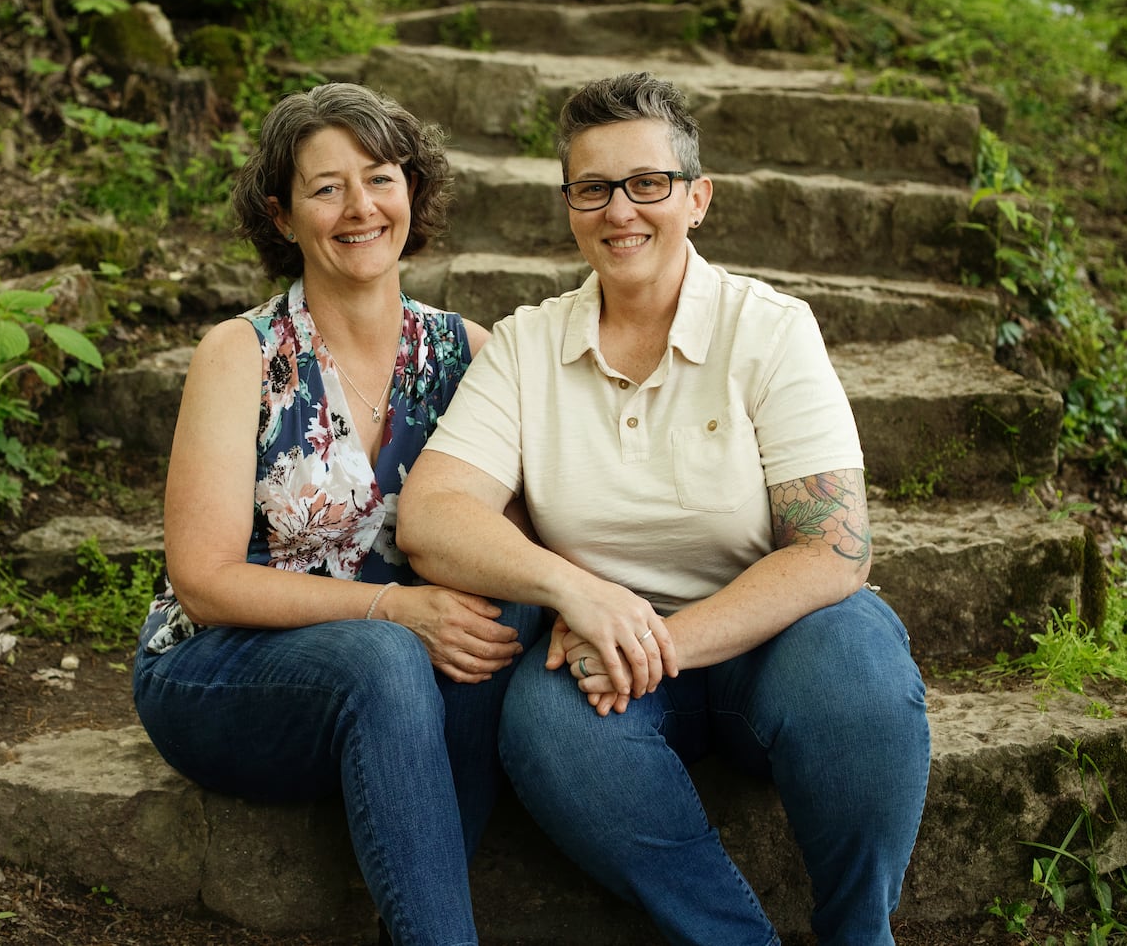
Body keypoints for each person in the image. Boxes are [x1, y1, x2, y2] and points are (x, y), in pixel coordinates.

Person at [397, 72, 930, 946]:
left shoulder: (771, 329)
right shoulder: (528, 345)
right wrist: (581, 593)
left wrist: (663, 642)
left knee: (860, 667)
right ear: (569, 205)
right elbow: (433, 514)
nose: (621, 212)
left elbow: (834, 549)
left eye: (648, 184)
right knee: (548, 722)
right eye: (593, 188)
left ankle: (858, 933)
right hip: (613, 667)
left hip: (775, 645)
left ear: (698, 198)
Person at [132, 81, 541, 946]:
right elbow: (202, 582)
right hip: (225, 673)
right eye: (327, 188)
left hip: (405, 685)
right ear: (284, 218)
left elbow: (521, 536)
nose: (360, 207)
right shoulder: (239, 354)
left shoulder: (470, 351)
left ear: (412, 192)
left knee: (506, 606)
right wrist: (390, 607)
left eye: (381, 177)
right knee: (388, 656)